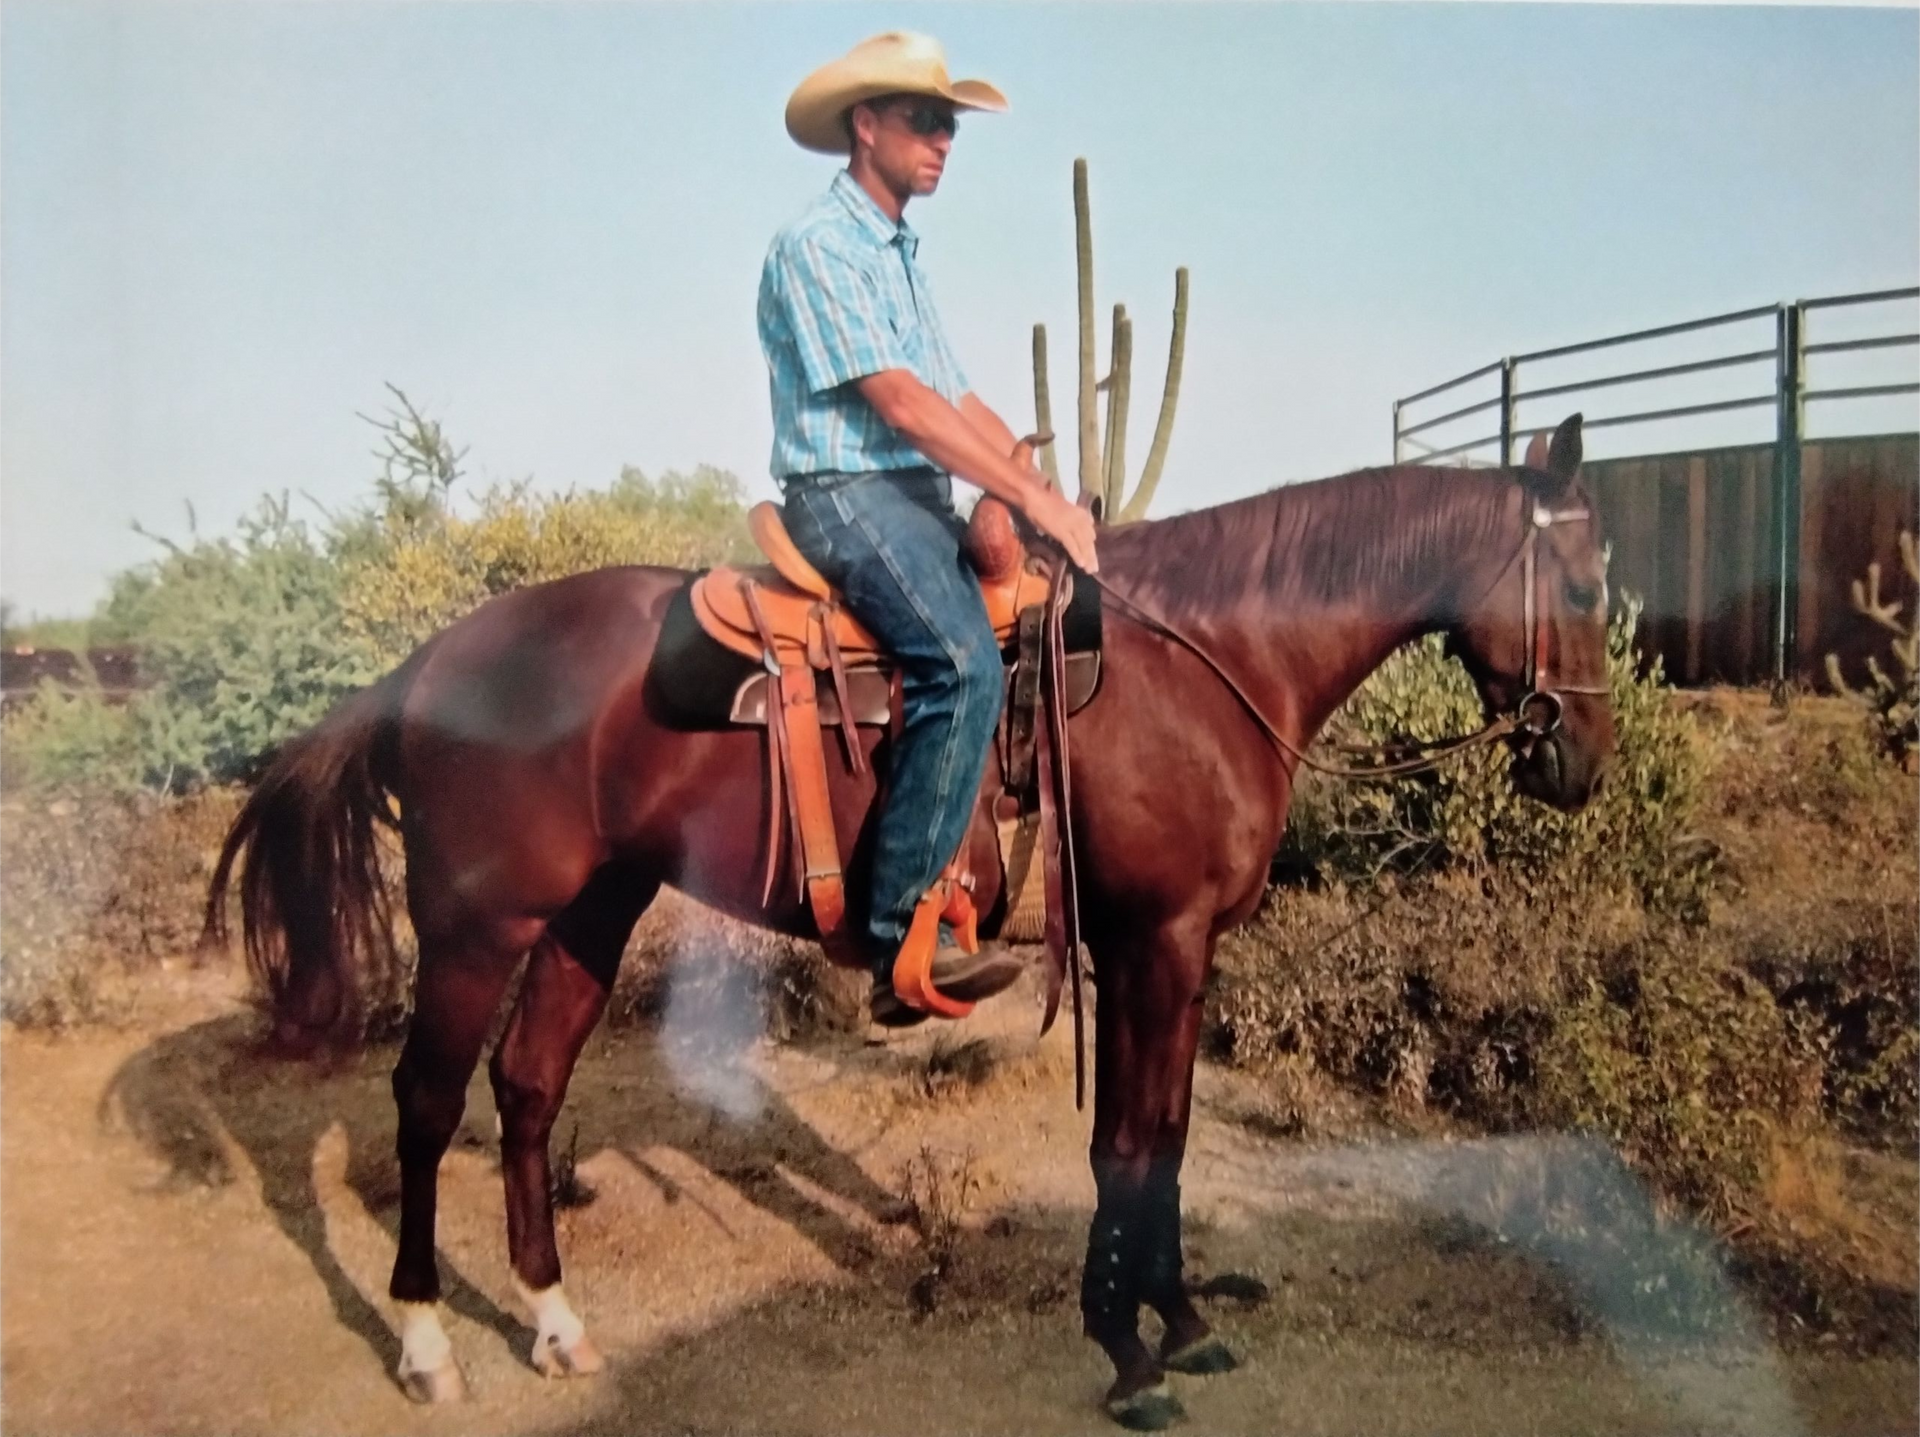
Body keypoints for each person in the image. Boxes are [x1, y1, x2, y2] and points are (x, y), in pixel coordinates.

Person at [758, 31, 1101, 1028]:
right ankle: (897, 937)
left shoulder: (901, 253)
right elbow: (904, 406)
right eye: (925, 120)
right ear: (866, 127)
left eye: (950, 124)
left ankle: (987, 878)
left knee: (1034, 610)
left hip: (907, 494)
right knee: (962, 662)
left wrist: (1048, 490)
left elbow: (958, 395)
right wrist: (1027, 500)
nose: (943, 140)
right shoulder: (817, 247)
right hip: (846, 495)